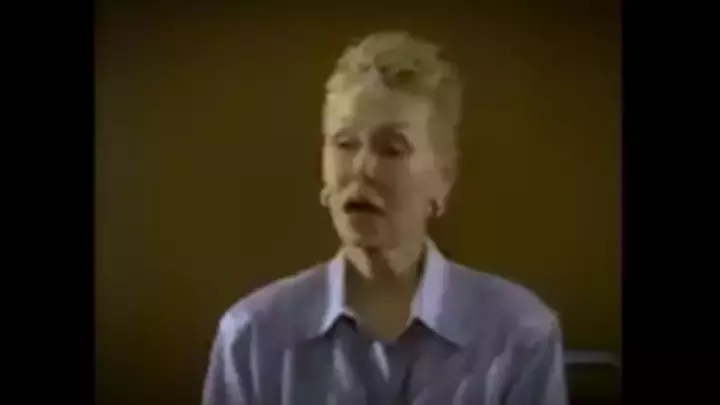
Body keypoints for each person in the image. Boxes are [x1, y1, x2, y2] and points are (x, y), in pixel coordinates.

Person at [202, 30, 568, 405]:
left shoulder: (520, 336)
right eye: (345, 144)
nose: (362, 168)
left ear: (443, 179)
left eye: (392, 149)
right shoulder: (251, 339)